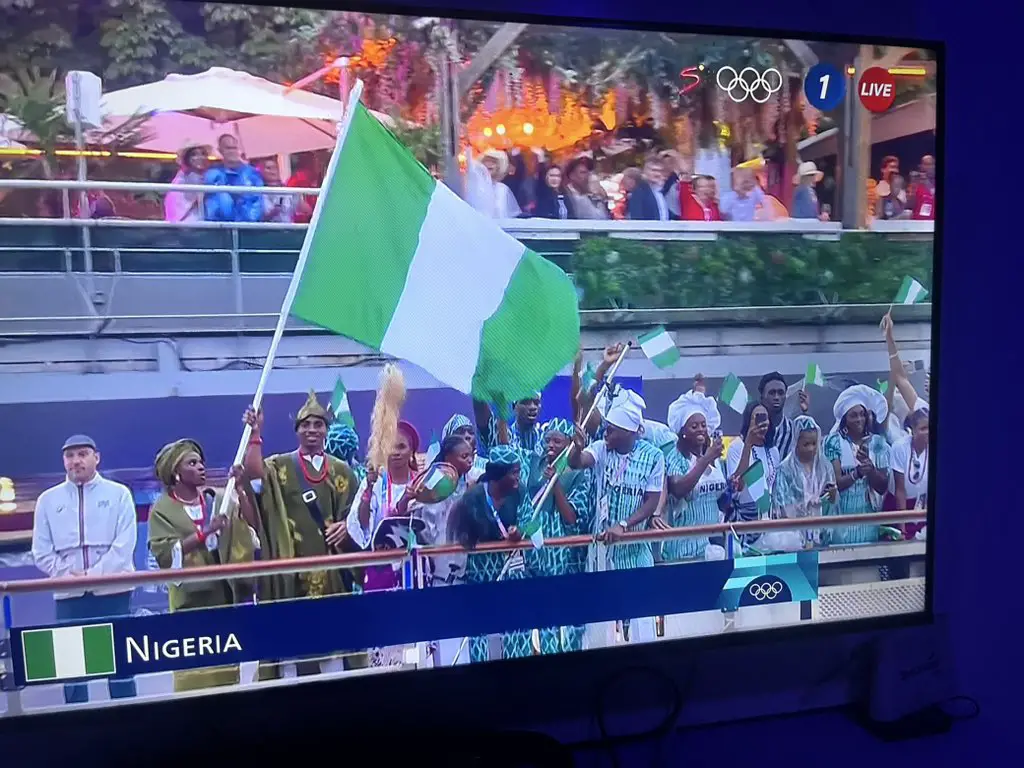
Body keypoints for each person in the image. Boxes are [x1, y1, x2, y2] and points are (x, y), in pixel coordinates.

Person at [241, 392, 365, 677]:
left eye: (318, 424)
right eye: (305, 425)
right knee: (293, 647)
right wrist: (255, 433)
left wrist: (346, 527)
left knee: (334, 647)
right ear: (296, 430)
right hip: (292, 570)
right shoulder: (280, 466)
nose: (312, 430)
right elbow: (255, 474)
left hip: (333, 572)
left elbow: (358, 518)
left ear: (326, 430)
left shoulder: (342, 471)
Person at [31, 435, 137, 705]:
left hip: (113, 592)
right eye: (70, 455)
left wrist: (94, 575)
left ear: (96, 458)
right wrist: (69, 576)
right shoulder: (47, 500)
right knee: (72, 669)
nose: (76, 461)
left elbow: (125, 545)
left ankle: (129, 717)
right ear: (63, 461)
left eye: (82, 454)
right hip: (69, 595)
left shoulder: (119, 494)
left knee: (120, 665)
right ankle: (76, 720)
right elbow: (41, 551)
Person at [147, 440, 259, 691]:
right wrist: (205, 532)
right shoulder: (162, 510)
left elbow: (250, 527)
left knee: (224, 671)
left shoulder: (218, 499)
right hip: (188, 603)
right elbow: (165, 554)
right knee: (194, 671)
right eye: (192, 463)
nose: (201, 467)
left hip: (223, 598)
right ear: (176, 473)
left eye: (201, 462)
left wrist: (240, 489)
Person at [569, 388, 664, 644]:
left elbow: (651, 501)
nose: (606, 433)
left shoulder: (654, 456)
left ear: (630, 432)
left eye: (612, 430)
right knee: (603, 629)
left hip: (635, 552)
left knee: (641, 624)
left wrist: (624, 525)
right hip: (602, 553)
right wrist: (577, 448)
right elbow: (577, 462)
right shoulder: (601, 448)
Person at [448, 445, 533, 662]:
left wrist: (520, 532)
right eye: (514, 472)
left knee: (518, 632)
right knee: (481, 636)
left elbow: (534, 524)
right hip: (481, 576)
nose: (518, 477)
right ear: (498, 475)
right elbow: (461, 537)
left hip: (513, 575)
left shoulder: (521, 491)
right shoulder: (473, 498)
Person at [526, 418, 593, 653]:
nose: (550, 446)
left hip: (567, 556)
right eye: (548, 440)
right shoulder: (536, 465)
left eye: (557, 441)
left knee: (571, 618)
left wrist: (554, 484)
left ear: (569, 443)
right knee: (544, 616)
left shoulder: (579, 473)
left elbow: (573, 518)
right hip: (537, 552)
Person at [345, 420, 420, 588]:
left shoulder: (421, 483)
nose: (395, 452)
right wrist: (369, 489)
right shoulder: (375, 482)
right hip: (381, 566)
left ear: (411, 451)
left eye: (401, 447)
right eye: (390, 447)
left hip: (416, 564)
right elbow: (363, 524)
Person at [656, 391, 728, 562]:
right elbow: (679, 489)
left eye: (703, 425)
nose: (701, 430)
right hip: (683, 550)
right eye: (694, 426)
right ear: (683, 431)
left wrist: (732, 488)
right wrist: (706, 460)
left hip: (713, 549)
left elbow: (720, 500)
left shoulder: (715, 458)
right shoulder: (675, 458)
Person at [823, 385, 891, 546]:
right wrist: (857, 473)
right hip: (839, 523)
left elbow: (882, 487)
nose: (859, 419)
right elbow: (835, 483)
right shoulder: (834, 442)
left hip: (868, 524)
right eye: (853, 415)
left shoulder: (878, 443)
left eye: (862, 414)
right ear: (844, 419)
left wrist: (871, 470)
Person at [768, 416, 837, 551]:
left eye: (814, 443)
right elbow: (782, 508)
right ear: (796, 442)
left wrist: (831, 497)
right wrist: (806, 507)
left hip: (822, 537)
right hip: (794, 540)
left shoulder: (825, 467)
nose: (811, 449)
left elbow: (833, 506)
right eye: (806, 444)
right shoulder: (785, 470)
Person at [726, 402, 781, 553]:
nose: (762, 423)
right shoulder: (736, 447)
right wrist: (748, 444)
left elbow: (774, 486)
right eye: (757, 418)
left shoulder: (773, 451)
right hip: (745, 521)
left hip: (768, 520)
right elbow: (737, 486)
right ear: (748, 421)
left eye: (765, 418)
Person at [888, 409, 929, 541]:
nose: (928, 432)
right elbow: (900, 490)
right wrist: (902, 529)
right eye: (923, 428)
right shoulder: (900, 447)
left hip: (921, 507)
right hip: (898, 507)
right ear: (913, 430)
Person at [203, 134, 264, 222]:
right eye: (228, 148)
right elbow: (211, 204)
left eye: (234, 148)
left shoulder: (252, 173)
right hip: (220, 226)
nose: (232, 151)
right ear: (220, 150)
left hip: (248, 225)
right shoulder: (213, 174)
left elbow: (257, 202)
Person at [474, 392, 543, 457]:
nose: (532, 407)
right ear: (514, 406)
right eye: (525, 402)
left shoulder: (543, 439)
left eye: (536, 403)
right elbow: (484, 418)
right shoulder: (502, 435)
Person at [759, 371, 809, 460]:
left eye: (780, 393)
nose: (776, 397)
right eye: (772, 393)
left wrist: (805, 412)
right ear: (762, 397)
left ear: (785, 396)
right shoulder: (754, 431)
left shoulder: (794, 431)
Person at [465, 149, 521, 219]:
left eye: (494, 161)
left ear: (498, 167)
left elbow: (507, 214)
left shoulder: (503, 189)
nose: (489, 163)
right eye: (486, 160)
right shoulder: (475, 186)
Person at [164, 141, 209, 223]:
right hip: (185, 222)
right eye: (194, 154)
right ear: (187, 158)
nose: (200, 157)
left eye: (203, 154)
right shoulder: (184, 178)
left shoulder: (200, 176)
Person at [258, 158, 296, 223]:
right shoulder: (256, 191)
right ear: (261, 171)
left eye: (275, 168)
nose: (272, 171)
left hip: (288, 227)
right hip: (266, 228)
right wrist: (272, 213)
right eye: (268, 168)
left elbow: (305, 210)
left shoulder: (289, 190)